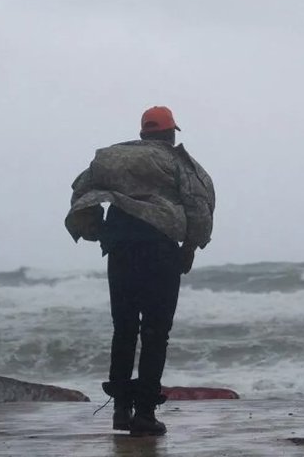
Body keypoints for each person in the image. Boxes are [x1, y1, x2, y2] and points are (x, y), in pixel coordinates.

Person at [65, 106, 215, 436]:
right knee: (155, 334)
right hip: (160, 253)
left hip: (121, 252)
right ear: (170, 133)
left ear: (144, 132)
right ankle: (145, 414)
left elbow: (80, 190)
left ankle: (120, 410)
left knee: (125, 329)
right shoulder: (178, 163)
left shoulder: (113, 158)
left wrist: (97, 229)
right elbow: (198, 204)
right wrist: (190, 247)